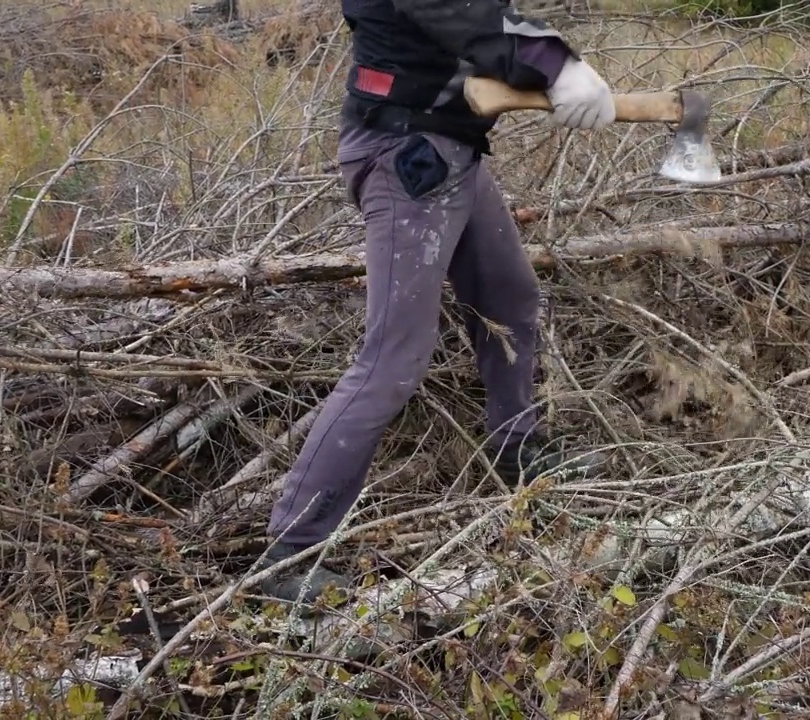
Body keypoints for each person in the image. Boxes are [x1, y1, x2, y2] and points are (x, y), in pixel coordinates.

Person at [256, 0, 617, 604]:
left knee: (510, 296)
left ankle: (517, 449)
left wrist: (550, 63)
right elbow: (468, 17)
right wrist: (559, 66)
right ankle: (289, 553)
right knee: (392, 359)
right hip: (408, 157)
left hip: (450, 150)